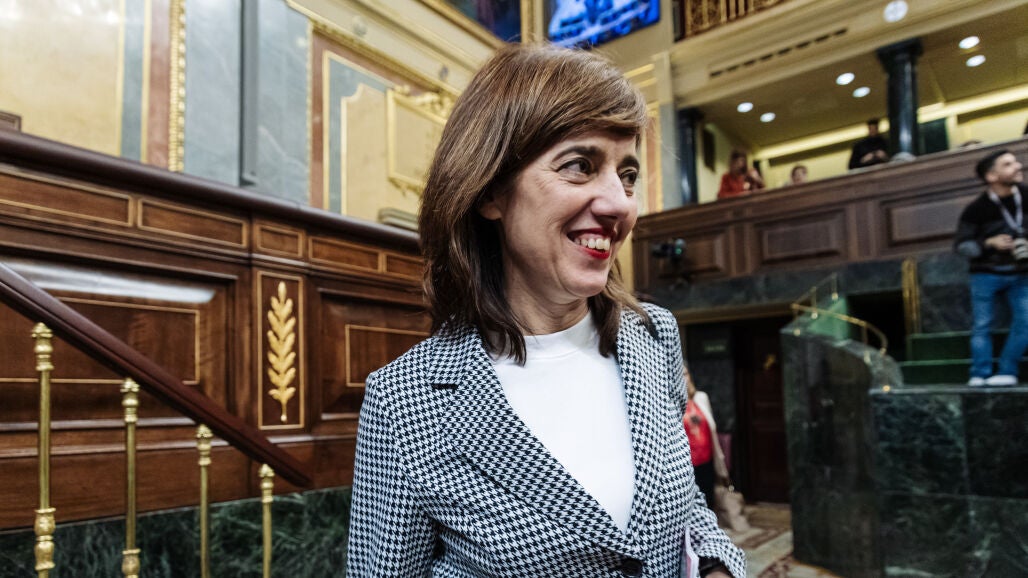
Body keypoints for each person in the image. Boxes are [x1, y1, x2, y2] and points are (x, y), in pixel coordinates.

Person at [346, 44, 745, 578]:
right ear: (491, 192)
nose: (620, 204)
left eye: (627, 175)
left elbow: (685, 506)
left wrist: (717, 566)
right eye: (580, 166)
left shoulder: (654, 336)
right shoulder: (405, 403)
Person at [955, 149, 1027, 386]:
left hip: (1022, 273)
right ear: (991, 176)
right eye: (1008, 164)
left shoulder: (1026, 196)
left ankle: (1007, 370)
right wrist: (988, 243)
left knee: (1026, 321)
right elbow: (961, 246)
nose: (1018, 166)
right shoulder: (976, 209)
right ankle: (980, 374)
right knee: (982, 326)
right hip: (985, 274)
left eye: (1015, 162)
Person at [682, 367, 729, 504]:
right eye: (679, 374)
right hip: (688, 465)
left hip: (707, 460)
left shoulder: (701, 398)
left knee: (710, 500)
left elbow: (711, 427)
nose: (684, 378)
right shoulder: (672, 403)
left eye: (685, 374)